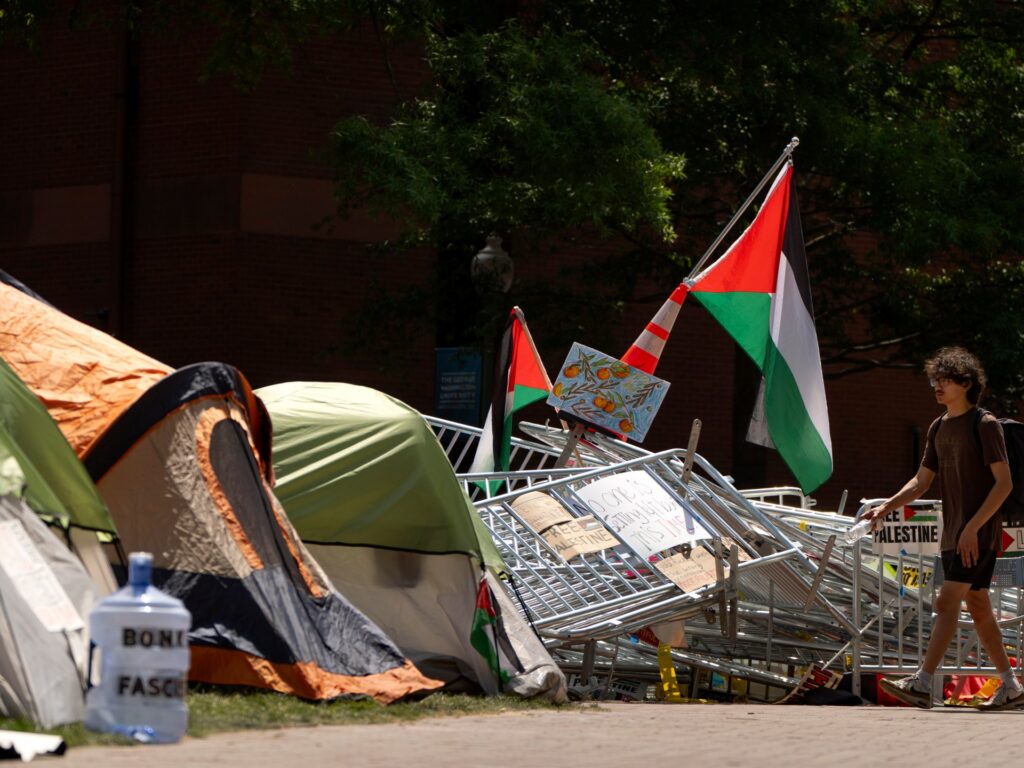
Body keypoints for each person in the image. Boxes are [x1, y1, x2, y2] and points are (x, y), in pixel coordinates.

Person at [864, 346, 1022, 710]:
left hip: (976, 535)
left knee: (946, 600)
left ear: (965, 383)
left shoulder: (984, 425)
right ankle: (1013, 687)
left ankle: (922, 682)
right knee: (979, 607)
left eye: (944, 380)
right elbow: (921, 482)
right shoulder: (938, 426)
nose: (936, 385)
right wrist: (886, 507)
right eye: (935, 379)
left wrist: (973, 528)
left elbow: (1004, 484)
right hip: (953, 534)